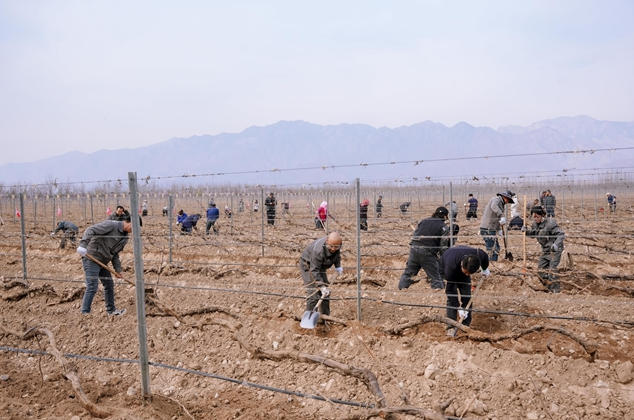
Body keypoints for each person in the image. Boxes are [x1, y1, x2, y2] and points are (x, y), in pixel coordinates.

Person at [76, 218, 132, 315]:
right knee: (92, 286)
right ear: (129, 222)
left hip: (103, 262)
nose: (134, 230)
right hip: (92, 258)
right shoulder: (111, 225)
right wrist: (83, 245)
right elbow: (91, 229)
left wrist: (118, 270)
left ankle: (111, 311)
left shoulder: (124, 238)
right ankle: (85, 314)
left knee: (109, 285)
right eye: (135, 227)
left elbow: (115, 254)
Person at [398, 206, 453, 290]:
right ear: (445, 216)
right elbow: (443, 246)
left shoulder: (423, 221)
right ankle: (438, 292)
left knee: (409, 273)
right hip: (427, 252)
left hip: (414, 248)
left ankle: (401, 289)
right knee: (435, 276)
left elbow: (415, 234)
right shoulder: (444, 227)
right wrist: (444, 259)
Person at [441, 245, 490, 336]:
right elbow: (450, 291)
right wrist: (458, 308)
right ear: (462, 265)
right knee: (452, 300)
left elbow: (484, 256)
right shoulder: (450, 269)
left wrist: (485, 268)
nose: (468, 274)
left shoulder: (477, 255)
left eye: (469, 273)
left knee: (467, 296)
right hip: (448, 263)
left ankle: (465, 325)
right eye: (466, 272)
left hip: (459, 263)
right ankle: (451, 326)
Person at [299, 232, 343, 317]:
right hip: (308, 265)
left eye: (336, 247)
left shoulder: (337, 245)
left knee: (326, 293)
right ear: (327, 242)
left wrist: (338, 266)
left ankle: (325, 317)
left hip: (320, 265)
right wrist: (321, 286)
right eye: (331, 246)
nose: (333, 249)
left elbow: (337, 255)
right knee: (313, 293)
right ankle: (309, 317)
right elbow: (314, 270)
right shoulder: (318, 251)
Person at [523, 206, 565, 293]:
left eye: (537, 217)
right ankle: (548, 286)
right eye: (534, 217)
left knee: (552, 270)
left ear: (542, 215)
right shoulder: (535, 224)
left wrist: (556, 244)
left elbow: (561, 235)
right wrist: (526, 231)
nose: (535, 219)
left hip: (554, 250)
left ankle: (555, 290)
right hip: (545, 250)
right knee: (540, 271)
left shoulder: (550, 223)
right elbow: (534, 234)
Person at [479, 190, 514, 261]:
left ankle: (492, 262)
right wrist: (502, 215)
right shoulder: (496, 199)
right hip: (487, 229)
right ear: (505, 197)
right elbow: (493, 206)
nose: (508, 202)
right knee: (492, 249)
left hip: (491, 229)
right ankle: (491, 263)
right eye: (508, 199)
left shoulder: (501, 204)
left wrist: (499, 229)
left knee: (496, 248)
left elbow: (497, 219)